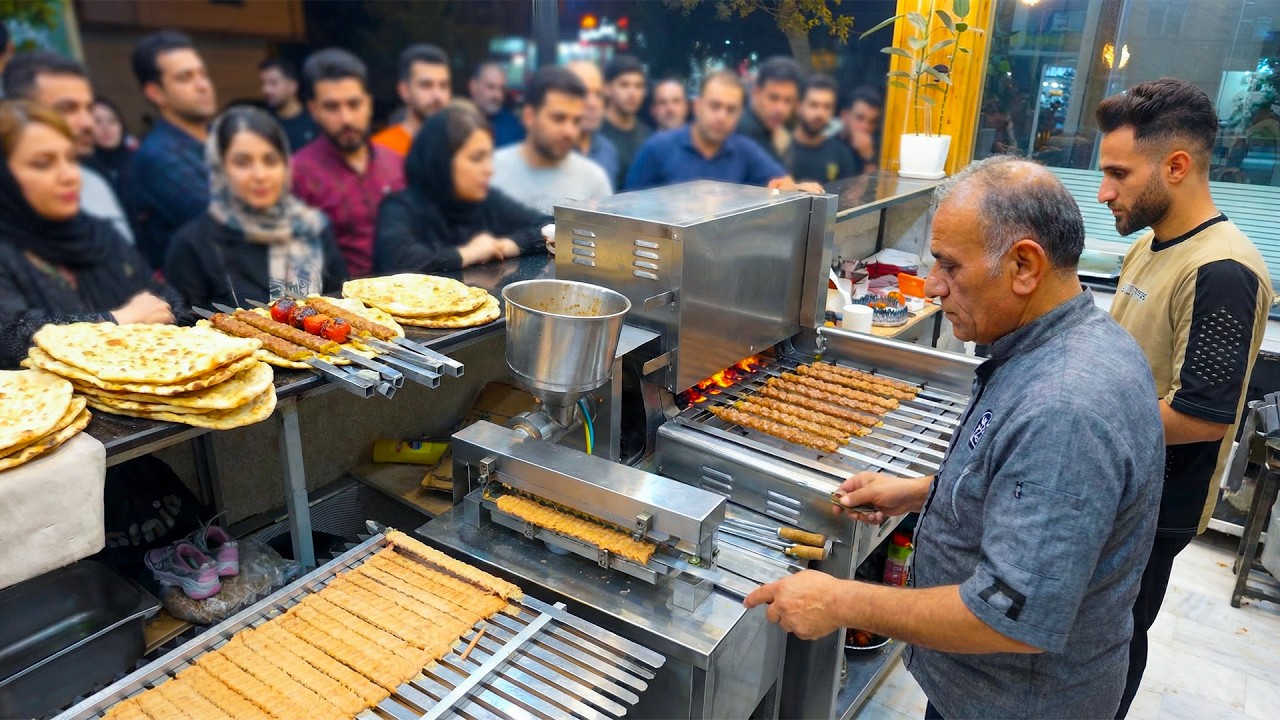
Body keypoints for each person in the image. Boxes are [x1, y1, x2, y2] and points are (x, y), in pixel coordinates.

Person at [744, 156, 1165, 719]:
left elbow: (1009, 615)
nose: (934, 286)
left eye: (949, 264)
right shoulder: (1072, 341)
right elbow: (1026, 478)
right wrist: (923, 491)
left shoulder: (1065, 407)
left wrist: (840, 599)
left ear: (1024, 265)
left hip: (1015, 704)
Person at [1096, 78, 1273, 719]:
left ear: (1176, 166)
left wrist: (1076, 423)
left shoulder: (1223, 271)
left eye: (1119, 172)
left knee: (1112, 643)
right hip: (1111, 483)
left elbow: (1199, 418)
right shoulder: (1148, 244)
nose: (1104, 191)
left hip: (1153, 502)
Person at [0, 100, 182, 369]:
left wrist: (158, 312)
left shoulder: (97, 234)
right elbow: (13, 337)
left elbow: (166, 298)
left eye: (71, 159)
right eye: (43, 163)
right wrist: (116, 320)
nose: (69, 175)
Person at [166, 107, 346, 309]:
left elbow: (341, 306)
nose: (260, 175)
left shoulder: (313, 227)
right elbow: (186, 331)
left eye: (270, 161)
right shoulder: (193, 245)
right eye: (243, 163)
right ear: (220, 168)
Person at [374, 101, 549, 274]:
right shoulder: (399, 208)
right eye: (476, 158)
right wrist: (468, 253)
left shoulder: (486, 202)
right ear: (442, 162)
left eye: (489, 157)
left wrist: (506, 246)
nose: (489, 169)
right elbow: (397, 262)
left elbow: (550, 227)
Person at [292, 48, 404, 278]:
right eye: (332, 107)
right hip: (341, 304)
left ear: (369, 104)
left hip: (410, 294)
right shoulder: (298, 174)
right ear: (314, 110)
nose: (346, 119)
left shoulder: (396, 163)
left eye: (354, 104)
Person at [2, 51, 134, 244]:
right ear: (24, 112)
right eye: (67, 109)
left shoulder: (94, 183)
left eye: (89, 108)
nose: (88, 123)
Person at [130, 30, 217, 269]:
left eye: (203, 74)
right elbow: (225, 223)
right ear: (155, 93)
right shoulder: (158, 156)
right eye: (185, 77)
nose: (203, 85)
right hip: (209, 297)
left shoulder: (224, 136)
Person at [624, 71, 789, 190]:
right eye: (714, 106)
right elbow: (628, 208)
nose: (721, 116)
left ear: (739, 115)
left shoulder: (745, 150)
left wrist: (797, 189)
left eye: (731, 110)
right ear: (697, 106)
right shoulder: (657, 149)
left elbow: (784, 183)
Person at [491, 66, 611, 216]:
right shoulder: (490, 172)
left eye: (576, 121)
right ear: (529, 116)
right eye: (558, 118)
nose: (570, 131)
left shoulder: (593, 181)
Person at [372, 44, 451, 158]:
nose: (437, 95)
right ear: (404, 91)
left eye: (443, 86)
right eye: (426, 85)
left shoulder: (460, 146)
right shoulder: (381, 149)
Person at [788, 74, 858, 185]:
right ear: (799, 106)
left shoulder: (841, 155)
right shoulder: (780, 150)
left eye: (827, 106)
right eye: (813, 105)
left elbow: (848, 198)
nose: (820, 113)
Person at [737, 56, 803, 163]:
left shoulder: (778, 134)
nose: (780, 109)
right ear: (756, 93)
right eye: (773, 98)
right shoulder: (740, 131)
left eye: (788, 100)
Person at [600, 55, 651, 189]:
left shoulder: (649, 137)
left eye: (638, 86)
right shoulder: (594, 133)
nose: (632, 93)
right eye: (624, 85)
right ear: (607, 89)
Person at [565, 60, 619, 182]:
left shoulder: (608, 150)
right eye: (583, 94)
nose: (593, 104)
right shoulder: (549, 151)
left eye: (599, 94)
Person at [87, 97, 136, 207]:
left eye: (113, 120)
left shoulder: (140, 160)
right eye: (97, 122)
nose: (106, 128)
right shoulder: (87, 173)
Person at [259, 58, 317, 153]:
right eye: (263, 83)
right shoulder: (263, 123)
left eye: (273, 83)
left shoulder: (314, 121)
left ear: (292, 86)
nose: (266, 90)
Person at [469, 60, 523, 148]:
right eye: (491, 87)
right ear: (473, 86)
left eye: (502, 89)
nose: (497, 95)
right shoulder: (456, 122)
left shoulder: (514, 127)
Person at [838, 86, 882, 175]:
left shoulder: (879, 150)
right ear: (844, 116)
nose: (865, 127)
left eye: (872, 122)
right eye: (860, 118)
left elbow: (873, 187)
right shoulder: (829, 148)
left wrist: (869, 158)